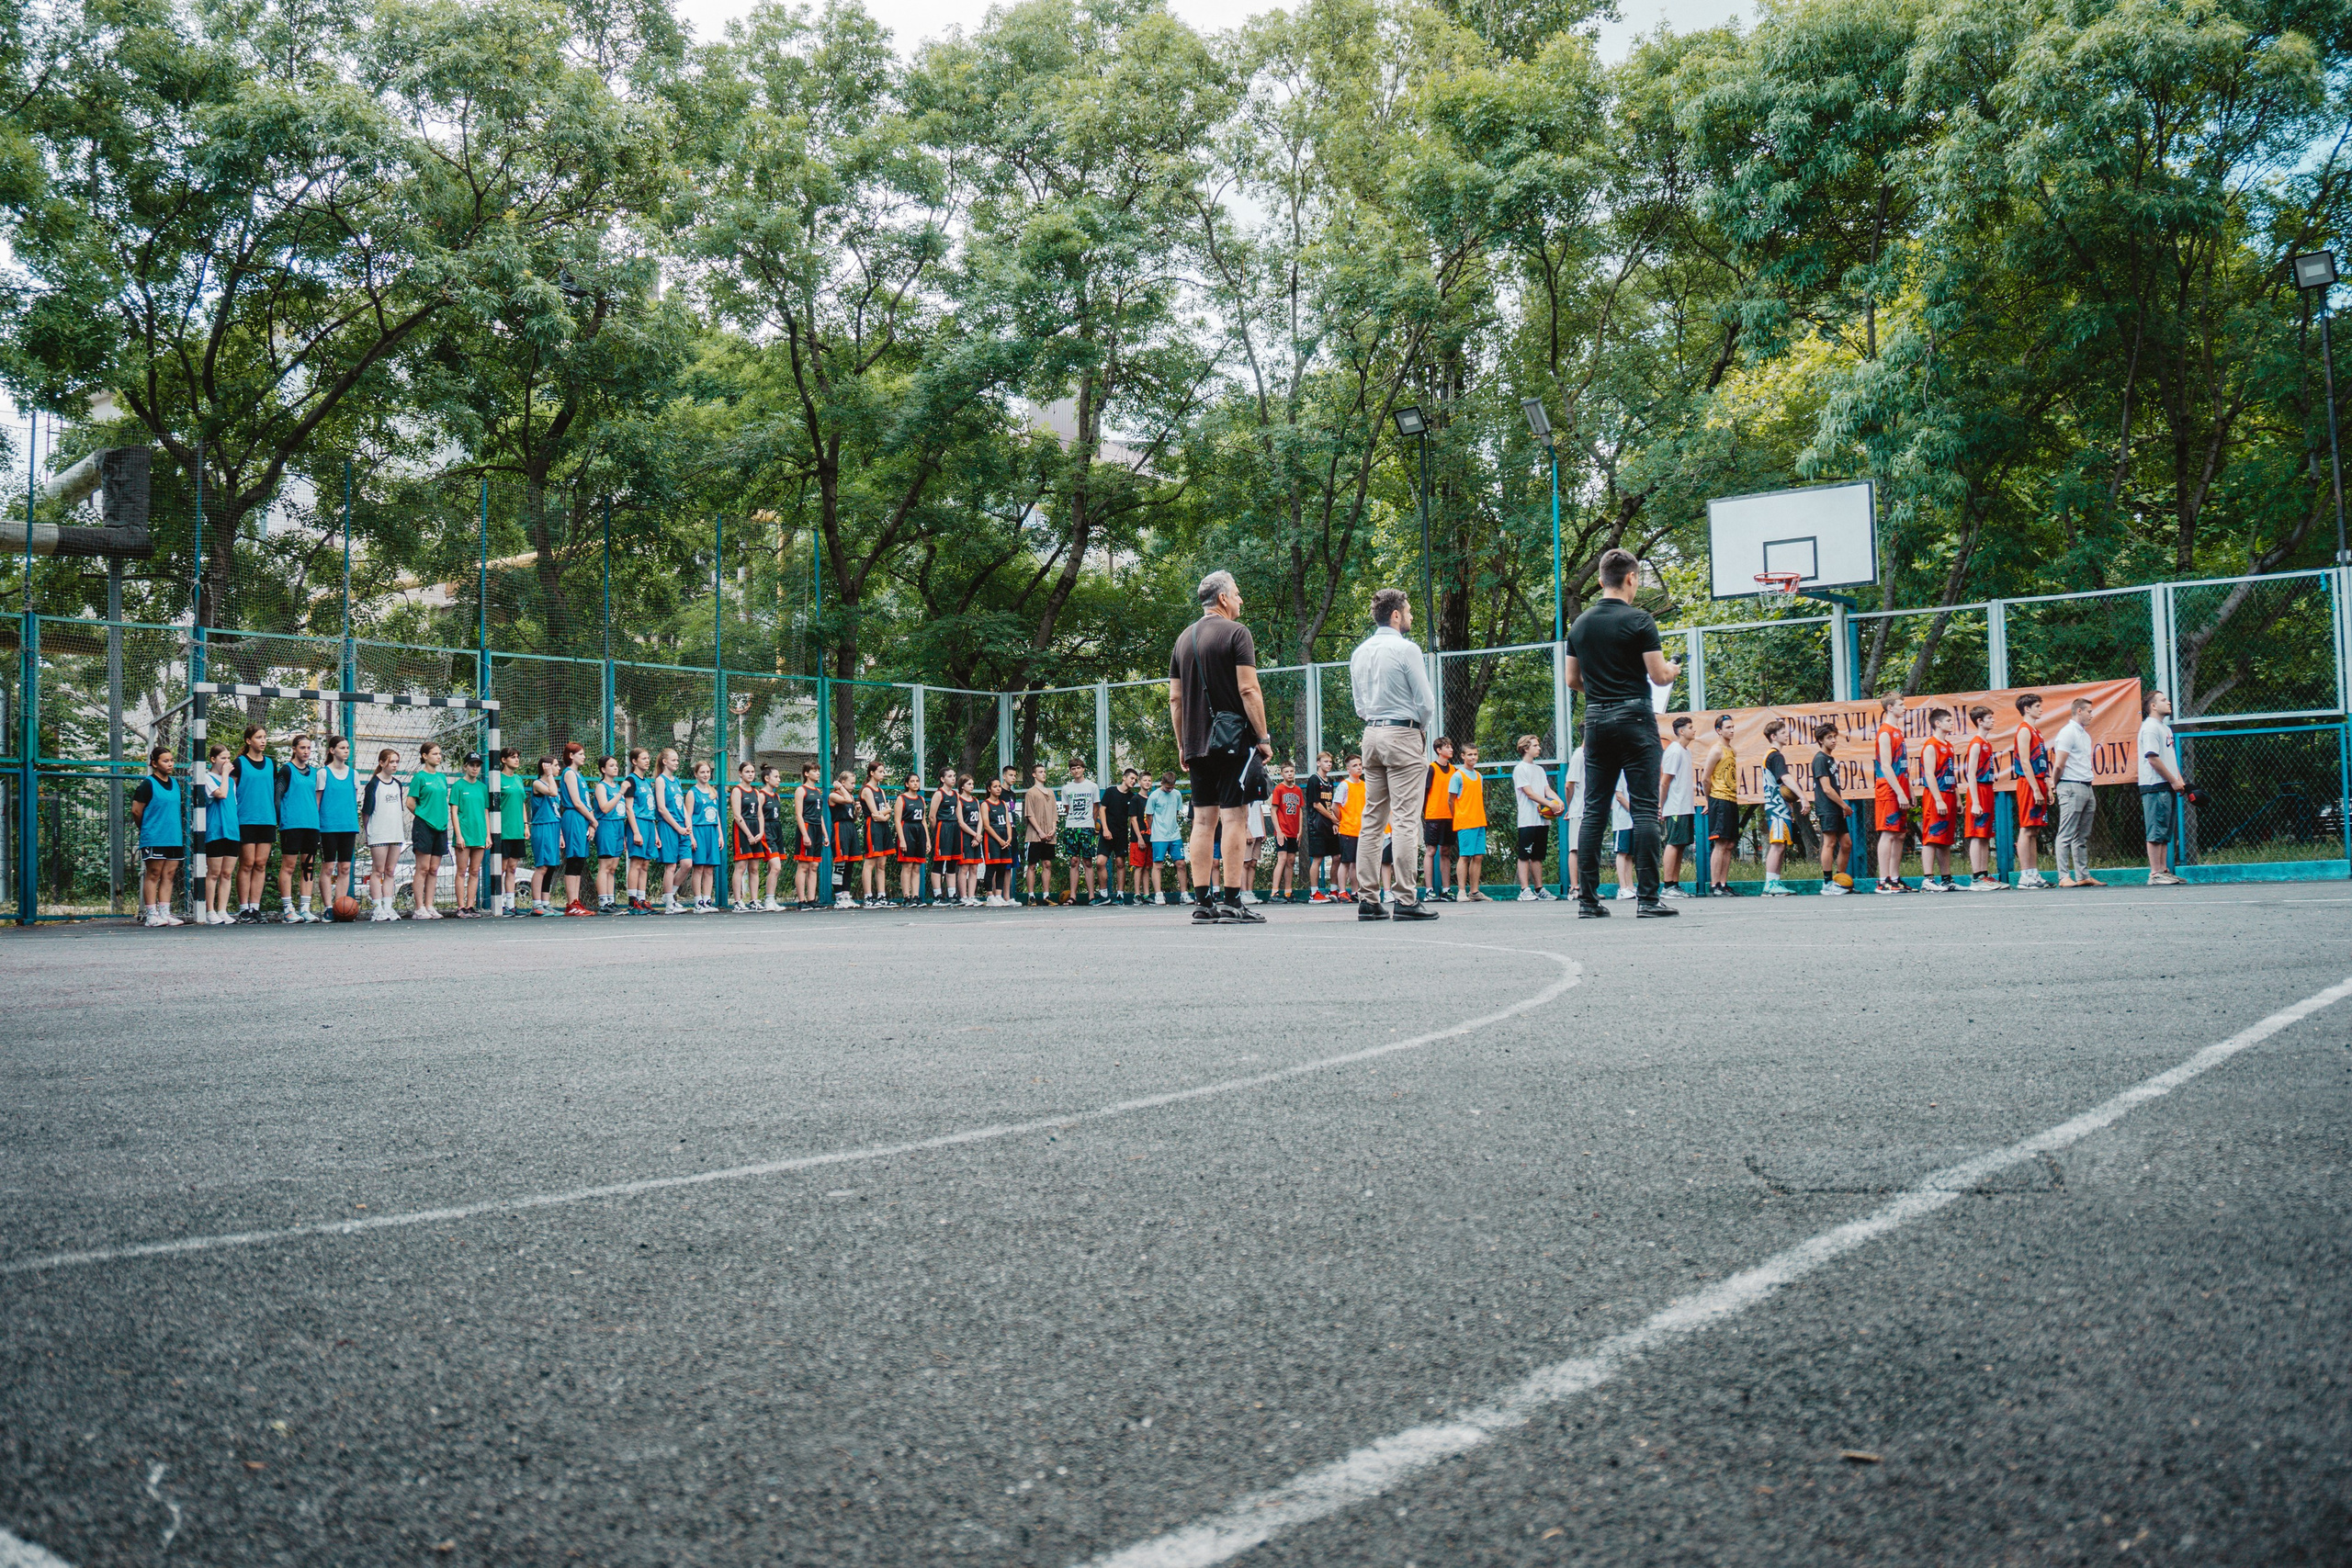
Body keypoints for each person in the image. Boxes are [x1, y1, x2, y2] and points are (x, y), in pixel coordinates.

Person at [1563, 550, 1681, 918]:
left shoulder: (1579, 625)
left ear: (1600, 581)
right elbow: (1659, 676)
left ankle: (1587, 901)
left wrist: (1601, 692)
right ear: (1631, 578)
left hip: (1596, 720)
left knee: (1595, 810)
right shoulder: (1640, 620)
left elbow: (1572, 680)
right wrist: (1675, 667)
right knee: (1645, 807)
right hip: (1635, 718)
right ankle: (1647, 899)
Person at [1170, 570, 1273, 924]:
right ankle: (1232, 901)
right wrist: (1262, 736)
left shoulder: (1183, 639)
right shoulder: (1237, 633)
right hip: (1232, 741)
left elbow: (1175, 699)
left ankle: (1202, 903)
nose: (1241, 600)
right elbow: (1248, 689)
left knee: (1202, 820)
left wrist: (1183, 744)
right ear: (1224, 599)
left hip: (1196, 743)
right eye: (1238, 594)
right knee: (1234, 817)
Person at [1348, 587, 1438, 923]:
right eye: (1409, 611)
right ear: (1396, 615)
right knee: (1404, 818)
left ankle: (1369, 899)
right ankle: (1405, 897)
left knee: (1372, 818)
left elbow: (1359, 704)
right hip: (1403, 732)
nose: (1411, 617)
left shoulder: (1360, 652)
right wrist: (1420, 728)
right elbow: (1426, 701)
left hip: (1371, 734)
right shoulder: (1406, 649)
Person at [2051, 695, 2103, 888]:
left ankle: (2083, 875)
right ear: (2079, 711)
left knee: (2082, 835)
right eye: (2089, 711)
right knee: (2066, 833)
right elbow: (2059, 764)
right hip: (2070, 786)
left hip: (2087, 785)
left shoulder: (2085, 735)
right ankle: (2063, 876)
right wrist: (2053, 785)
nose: (2092, 715)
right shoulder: (2067, 733)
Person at [2138, 688, 2187, 886]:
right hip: (2155, 784)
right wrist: (2173, 781)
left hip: (2167, 784)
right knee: (2156, 829)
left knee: (2165, 830)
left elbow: (2169, 758)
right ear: (2153, 706)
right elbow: (2153, 759)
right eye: (2163, 700)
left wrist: (2179, 780)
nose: (2169, 703)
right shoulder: (2150, 727)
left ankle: (2164, 870)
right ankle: (2155, 873)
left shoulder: (2165, 728)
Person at [133, 745, 186, 926]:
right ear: (155, 763)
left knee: (169, 874)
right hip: (154, 837)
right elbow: (136, 811)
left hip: (173, 837)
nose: (170, 764)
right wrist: (147, 829)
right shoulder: (148, 784)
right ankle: (151, 915)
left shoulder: (175, 784)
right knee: (153, 873)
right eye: (165, 761)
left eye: (171, 760)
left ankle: (165, 912)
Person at [232, 725, 278, 922]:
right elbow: (230, 792)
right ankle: (244, 909)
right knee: (247, 863)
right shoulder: (239, 763)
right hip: (246, 819)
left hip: (266, 819)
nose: (263, 740)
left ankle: (255, 908)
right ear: (248, 741)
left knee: (260, 864)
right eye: (259, 737)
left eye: (265, 737)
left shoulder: (271, 764)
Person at [274, 732, 322, 923]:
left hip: (311, 825)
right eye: (302, 747)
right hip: (291, 824)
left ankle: (305, 908)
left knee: (307, 866)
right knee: (289, 866)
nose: (306, 751)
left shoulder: (316, 773)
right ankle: (287, 909)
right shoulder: (286, 770)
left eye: (309, 748)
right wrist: (280, 820)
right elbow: (277, 796)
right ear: (294, 749)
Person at [2010, 694, 2054, 889]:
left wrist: (2047, 786)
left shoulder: (2037, 732)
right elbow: (2025, 762)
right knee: (2026, 828)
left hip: (2039, 782)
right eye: (2037, 706)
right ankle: (2024, 875)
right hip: (2029, 784)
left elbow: (2041, 762)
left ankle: (2033, 873)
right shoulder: (2024, 730)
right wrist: (2036, 789)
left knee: (2034, 830)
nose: (2041, 709)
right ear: (2026, 709)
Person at [1872, 692, 1914, 894]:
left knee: (1899, 835)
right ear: (1890, 708)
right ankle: (1883, 881)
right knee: (1888, 834)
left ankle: (1895, 878)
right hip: (1889, 790)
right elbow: (1887, 766)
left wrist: (1910, 790)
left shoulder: (1897, 731)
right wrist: (1899, 792)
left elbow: (1902, 767)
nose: (1904, 707)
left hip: (1901, 787)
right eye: (1901, 704)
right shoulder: (1885, 732)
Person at [1916, 708, 1961, 892]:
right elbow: (1929, 774)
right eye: (1948, 720)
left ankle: (1946, 879)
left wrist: (1957, 798)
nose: (1952, 723)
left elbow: (1951, 773)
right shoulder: (1931, 745)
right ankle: (1928, 879)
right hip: (1937, 796)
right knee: (1932, 838)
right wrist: (1938, 799)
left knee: (1946, 839)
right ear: (1938, 723)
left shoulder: (1949, 745)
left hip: (1949, 794)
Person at [196, 742, 240, 925]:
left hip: (231, 829)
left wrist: (227, 777)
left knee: (227, 873)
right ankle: (210, 910)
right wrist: (225, 775)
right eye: (223, 758)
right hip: (215, 829)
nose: (227, 761)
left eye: (229, 758)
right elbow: (221, 794)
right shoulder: (207, 778)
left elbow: (232, 802)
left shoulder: (230, 780)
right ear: (213, 759)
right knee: (213, 872)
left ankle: (222, 909)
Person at [1962, 706, 2004, 892]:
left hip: (1987, 789)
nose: (1992, 721)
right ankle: (1977, 877)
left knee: (1986, 834)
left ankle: (1984, 874)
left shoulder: (1987, 743)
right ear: (1980, 721)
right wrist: (1976, 801)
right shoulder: (1976, 744)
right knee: (1977, 835)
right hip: (1978, 790)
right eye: (1989, 718)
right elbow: (1970, 773)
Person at [362, 748, 407, 920]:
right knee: (378, 870)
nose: (395, 765)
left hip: (396, 833)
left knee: (390, 871)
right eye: (391, 761)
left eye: (397, 761)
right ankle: (377, 908)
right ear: (381, 763)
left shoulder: (397, 784)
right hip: (379, 834)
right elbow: (366, 812)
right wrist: (369, 833)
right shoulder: (374, 784)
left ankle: (388, 908)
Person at [317, 734, 360, 915]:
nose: (346, 751)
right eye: (342, 748)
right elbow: (317, 803)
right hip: (329, 827)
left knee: (345, 867)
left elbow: (353, 800)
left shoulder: (354, 774)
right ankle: (328, 907)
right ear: (332, 750)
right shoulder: (323, 773)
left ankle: (340, 907)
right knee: (328, 867)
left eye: (348, 748)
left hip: (348, 826)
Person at [410, 740, 452, 919]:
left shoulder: (442, 777)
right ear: (425, 756)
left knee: (434, 869)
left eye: (439, 753)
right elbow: (410, 803)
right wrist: (424, 816)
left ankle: (429, 905)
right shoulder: (419, 777)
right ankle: (419, 908)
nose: (438, 756)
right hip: (424, 826)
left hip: (441, 827)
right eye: (435, 753)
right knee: (423, 868)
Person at [1758, 719, 1802, 896]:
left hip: (1779, 807)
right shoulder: (1775, 755)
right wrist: (1803, 797)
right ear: (1773, 736)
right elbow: (1785, 778)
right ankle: (1769, 884)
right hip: (1776, 808)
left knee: (1781, 845)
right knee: (1777, 845)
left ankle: (1775, 882)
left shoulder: (1772, 755)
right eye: (1783, 732)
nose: (1787, 735)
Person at [1702, 713, 1741, 896]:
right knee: (1720, 843)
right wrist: (1709, 800)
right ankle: (1714, 885)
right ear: (1719, 730)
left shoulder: (1732, 751)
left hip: (1731, 799)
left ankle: (1724, 884)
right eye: (1728, 727)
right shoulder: (1716, 750)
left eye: (1733, 727)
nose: (1732, 730)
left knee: (1730, 844)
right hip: (1719, 799)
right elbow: (1705, 777)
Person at [1810, 722, 1849, 896]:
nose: (1833, 740)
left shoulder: (1830, 759)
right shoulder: (1819, 759)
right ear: (1820, 740)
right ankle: (1827, 884)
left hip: (1836, 807)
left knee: (1847, 844)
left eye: (1835, 737)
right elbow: (1826, 788)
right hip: (1827, 807)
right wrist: (1844, 805)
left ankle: (1839, 881)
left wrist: (1841, 806)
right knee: (1830, 843)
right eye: (1829, 737)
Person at [449, 751, 491, 917]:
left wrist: (487, 835)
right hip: (465, 834)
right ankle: (460, 907)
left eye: (477, 765)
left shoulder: (482, 788)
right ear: (465, 766)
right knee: (461, 871)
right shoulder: (458, 786)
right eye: (471, 765)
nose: (475, 768)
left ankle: (470, 906)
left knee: (474, 871)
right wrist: (459, 835)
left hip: (479, 834)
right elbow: (454, 812)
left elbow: (485, 813)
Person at [1059, 756, 1104, 906]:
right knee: (1073, 861)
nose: (1076, 770)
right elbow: (1067, 808)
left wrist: (1091, 822)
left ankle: (1091, 896)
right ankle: (1073, 896)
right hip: (1072, 826)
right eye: (1073, 768)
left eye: (1078, 767)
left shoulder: (1092, 786)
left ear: (1083, 769)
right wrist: (1074, 820)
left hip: (1087, 826)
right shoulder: (1066, 788)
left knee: (1088, 861)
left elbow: (1096, 806)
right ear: (1070, 771)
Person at [591, 755, 632, 915]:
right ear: (603, 769)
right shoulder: (602, 787)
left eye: (616, 765)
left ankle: (611, 900)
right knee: (605, 866)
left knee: (613, 867)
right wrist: (621, 793)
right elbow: (605, 808)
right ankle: (603, 903)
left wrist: (623, 837)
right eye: (611, 765)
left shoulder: (616, 786)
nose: (616, 768)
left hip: (618, 826)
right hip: (606, 825)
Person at [1658, 716, 1696, 895]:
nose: (1694, 730)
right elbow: (1665, 782)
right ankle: (1667, 886)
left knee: (1681, 845)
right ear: (1681, 731)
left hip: (1685, 806)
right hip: (1674, 807)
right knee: (1673, 843)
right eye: (1690, 727)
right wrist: (1660, 805)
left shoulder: (1685, 751)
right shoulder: (1674, 751)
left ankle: (1675, 883)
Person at [1451, 744, 1491, 900]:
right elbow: (1451, 800)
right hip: (1465, 821)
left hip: (1479, 820)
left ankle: (1474, 892)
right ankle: (1461, 891)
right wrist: (1459, 816)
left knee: (1478, 856)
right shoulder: (1458, 776)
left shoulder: (1479, 776)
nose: (1473, 757)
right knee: (1465, 855)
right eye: (1469, 755)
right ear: (1462, 756)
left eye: (1475, 754)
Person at [655, 749, 693, 913]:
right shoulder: (660, 781)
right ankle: (669, 903)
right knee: (670, 865)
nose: (677, 762)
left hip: (682, 827)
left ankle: (670, 895)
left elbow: (681, 805)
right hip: (669, 826)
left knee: (687, 864)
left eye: (678, 760)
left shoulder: (676, 781)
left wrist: (687, 823)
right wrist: (677, 827)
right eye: (674, 760)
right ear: (665, 762)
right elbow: (662, 809)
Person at [1421, 736, 1458, 900]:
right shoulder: (1431, 769)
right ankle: (1429, 890)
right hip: (1433, 815)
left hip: (1449, 815)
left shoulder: (1454, 770)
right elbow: (1424, 792)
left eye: (1451, 746)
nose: (1451, 749)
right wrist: (1424, 813)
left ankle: (1446, 889)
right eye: (1447, 747)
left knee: (1446, 851)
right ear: (1439, 750)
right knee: (1431, 850)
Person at [525, 755, 563, 915]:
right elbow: (553, 793)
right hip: (543, 827)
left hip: (554, 827)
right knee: (542, 866)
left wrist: (560, 834)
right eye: (555, 765)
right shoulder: (538, 783)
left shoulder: (552, 782)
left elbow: (556, 811)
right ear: (546, 767)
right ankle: (536, 904)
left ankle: (546, 903)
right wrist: (548, 775)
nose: (559, 768)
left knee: (551, 866)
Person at [496, 748, 531, 917]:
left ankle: (511, 905)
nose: (516, 760)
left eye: (518, 757)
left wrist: (525, 825)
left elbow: (522, 803)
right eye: (513, 757)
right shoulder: (498, 779)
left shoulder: (518, 779)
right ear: (503, 760)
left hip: (517, 829)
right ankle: (499, 904)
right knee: (501, 867)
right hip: (504, 830)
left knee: (512, 868)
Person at [623, 748, 657, 915]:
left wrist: (655, 833)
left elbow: (650, 809)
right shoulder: (631, 780)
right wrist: (636, 832)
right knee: (636, 863)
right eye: (644, 758)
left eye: (648, 757)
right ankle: (632, 902)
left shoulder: (647, 782)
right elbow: (629, 809)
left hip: (649, 824)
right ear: (634, 761)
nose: (647, 760)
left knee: (645, 864)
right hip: (638, 824)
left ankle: (642, 900)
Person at [686, 760, 723, 912]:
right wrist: (691, 837)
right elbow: (687, 816)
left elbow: (717, 816)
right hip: (698, 831)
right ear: (696, 774)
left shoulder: (713, 792)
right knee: (699, 868)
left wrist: (720, 835)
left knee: (709, 869)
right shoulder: (692, 793)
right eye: (702, 772)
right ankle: (698, 901)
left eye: (708, 772)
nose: (705, 774)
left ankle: (707, 900)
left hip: (712, 832)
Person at [730, 761, 766, 911]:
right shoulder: (737, 791)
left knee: (754, 868)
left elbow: (760, 815)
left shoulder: (756, 792)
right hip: (743, 830)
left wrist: (760, 832)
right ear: (740, 773)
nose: (750, 774)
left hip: (755, 829)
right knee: (740, 867)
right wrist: (749, 835)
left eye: (752, 772)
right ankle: (738, 901)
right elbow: (737, 815)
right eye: (747, 772)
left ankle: (754, 900)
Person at [1303, 753, 1338, 901]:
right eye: (1325, 762)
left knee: (1338, 856)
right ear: (1318, 763)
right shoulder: (1313, 780)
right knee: (1318, 858)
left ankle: (1334, 890)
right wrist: (1333, 819)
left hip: (1329, 825)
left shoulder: (1329, 782)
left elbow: (1330, 805)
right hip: (1317, 825)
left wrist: (1334, 823)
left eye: (1330, 762)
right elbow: (1316, 804)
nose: (1328, 764)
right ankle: (1314, 892)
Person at [1270, 762, 1306, 902]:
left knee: (1291, 861)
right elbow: (1273, 810)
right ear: (1282, 774)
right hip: (1283, 830)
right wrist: (1278, 831)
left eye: (1292, 771)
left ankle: (1288, 893)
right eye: (1287, 771)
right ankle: (1274, 893)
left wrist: (1300, 830)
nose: (1290, 774)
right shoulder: (1279, 789)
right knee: (1282, 859)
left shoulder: (1297, 790)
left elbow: (1301, 810)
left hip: (1293, 831)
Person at [862, 761, 896, 907]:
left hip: (883, 826)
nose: (883, 774)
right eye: (880, 771)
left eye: (883, 771)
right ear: (872, 773)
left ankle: (882, 896)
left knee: (882, 863)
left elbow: (885, 812)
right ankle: (868, 897)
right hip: (873, 827)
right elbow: (874, 814)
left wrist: (885, 814)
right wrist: (886, 812)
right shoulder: (867, 790)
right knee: (870, 862)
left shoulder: (880, 791)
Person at [1331, 755, 1364, 903]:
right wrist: (1341, 820)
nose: (1359, 767)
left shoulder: (1364, 785)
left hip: (1361, 830)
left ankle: (1355, 891)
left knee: (1356, 863)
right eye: (1355, 765)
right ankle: (1342, 891)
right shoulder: (1344, 785)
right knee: (1345, 861)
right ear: (1348, 769)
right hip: (1347, 829)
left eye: (1360, 765)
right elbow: (1335, 806)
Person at [1023, 762, 1057, 906]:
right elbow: (1029, 814)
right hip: (1035, 835)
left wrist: (1053, 829)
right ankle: (1031, 896)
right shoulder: (1031, 792)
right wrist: (1040, 831)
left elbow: (1055, 814)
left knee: (1047, 863)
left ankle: (1046, 895)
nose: (1043, 774)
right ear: (1034, 774)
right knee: (1032, 865)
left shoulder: (1050, 792)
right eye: (1040, 772)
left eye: (1044, 771)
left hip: (1049, 835)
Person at [894, 772, 930, 907]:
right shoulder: (901, 798)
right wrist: (902, 839)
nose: (915, 783)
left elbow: (924, 820)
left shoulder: (921, 799)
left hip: (919, 831)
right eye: (912, 781)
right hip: (907, 830)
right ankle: (906, 897)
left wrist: (927, 839)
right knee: (907, 865)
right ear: (907, 784)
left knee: (917, 866)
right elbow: (897, 820)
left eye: (917, 781)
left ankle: (916, 896)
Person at [828, 769, 862, 908]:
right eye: (851, 783)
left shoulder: (850, 797)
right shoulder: (834, 795)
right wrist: (840, 787)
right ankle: (838, 898)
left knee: (850, 864)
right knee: (840, 864)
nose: (854, 786)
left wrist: (857, 812)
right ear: (842, 782)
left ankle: (846, 895)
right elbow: (847, 799)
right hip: (840, 829)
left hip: (850, 829)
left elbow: (853, 817)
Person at [795, 761, 825, 908]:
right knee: (804, 866)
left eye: (818, 771)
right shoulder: (801, 790)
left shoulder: (817, 791)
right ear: (806, 773)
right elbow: (799, 815)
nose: (817, 773)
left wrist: (824, 833)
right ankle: (801, 901)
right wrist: (805, 835)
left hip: (817, 828)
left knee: (814, 865)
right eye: (814, 771)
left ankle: (812, 899)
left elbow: (819, 815)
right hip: (806, 827)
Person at [759, 764, 789, 909]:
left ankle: (771, 899)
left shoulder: (776, 796)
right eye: (776, 777)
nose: (779, 779)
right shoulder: (761, 795)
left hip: (777, 830)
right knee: (776, 867)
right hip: (767, 831)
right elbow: (758, 815)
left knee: (775, 868)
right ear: (766, 778)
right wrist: (760, 832)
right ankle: (768, 900)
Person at [984, 777, 1018, 905]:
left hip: (1005, 837)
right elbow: (987, 826)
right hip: (993, 838)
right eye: (995, 786)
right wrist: (999, 840)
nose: (998, 788)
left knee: (1002, 867)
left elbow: (1008, 822)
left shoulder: (1003, 804)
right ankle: (989, 896)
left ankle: (999, 895)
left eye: (999, 786)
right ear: (989, 789)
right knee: (991, 866)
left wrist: (1009, 838)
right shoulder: (985, 804)